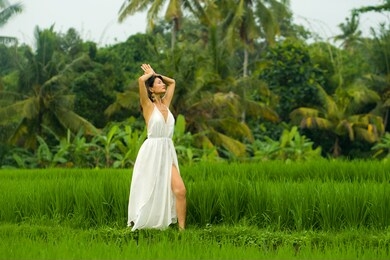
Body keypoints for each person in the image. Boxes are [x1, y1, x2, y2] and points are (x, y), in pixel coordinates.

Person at [127, 63, 187, 231]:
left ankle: (182, 231)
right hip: (152, 152)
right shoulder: (147, 106)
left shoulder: (166, 104)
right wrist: (150, 75)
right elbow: (141, 80)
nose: (162, 84)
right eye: (158, 83)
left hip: (167, 151)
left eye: (162, 82)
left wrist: (157, 74)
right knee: (149, 189)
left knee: (180, 190)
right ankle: (146, 222)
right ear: (151, 90)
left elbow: (173, 82)